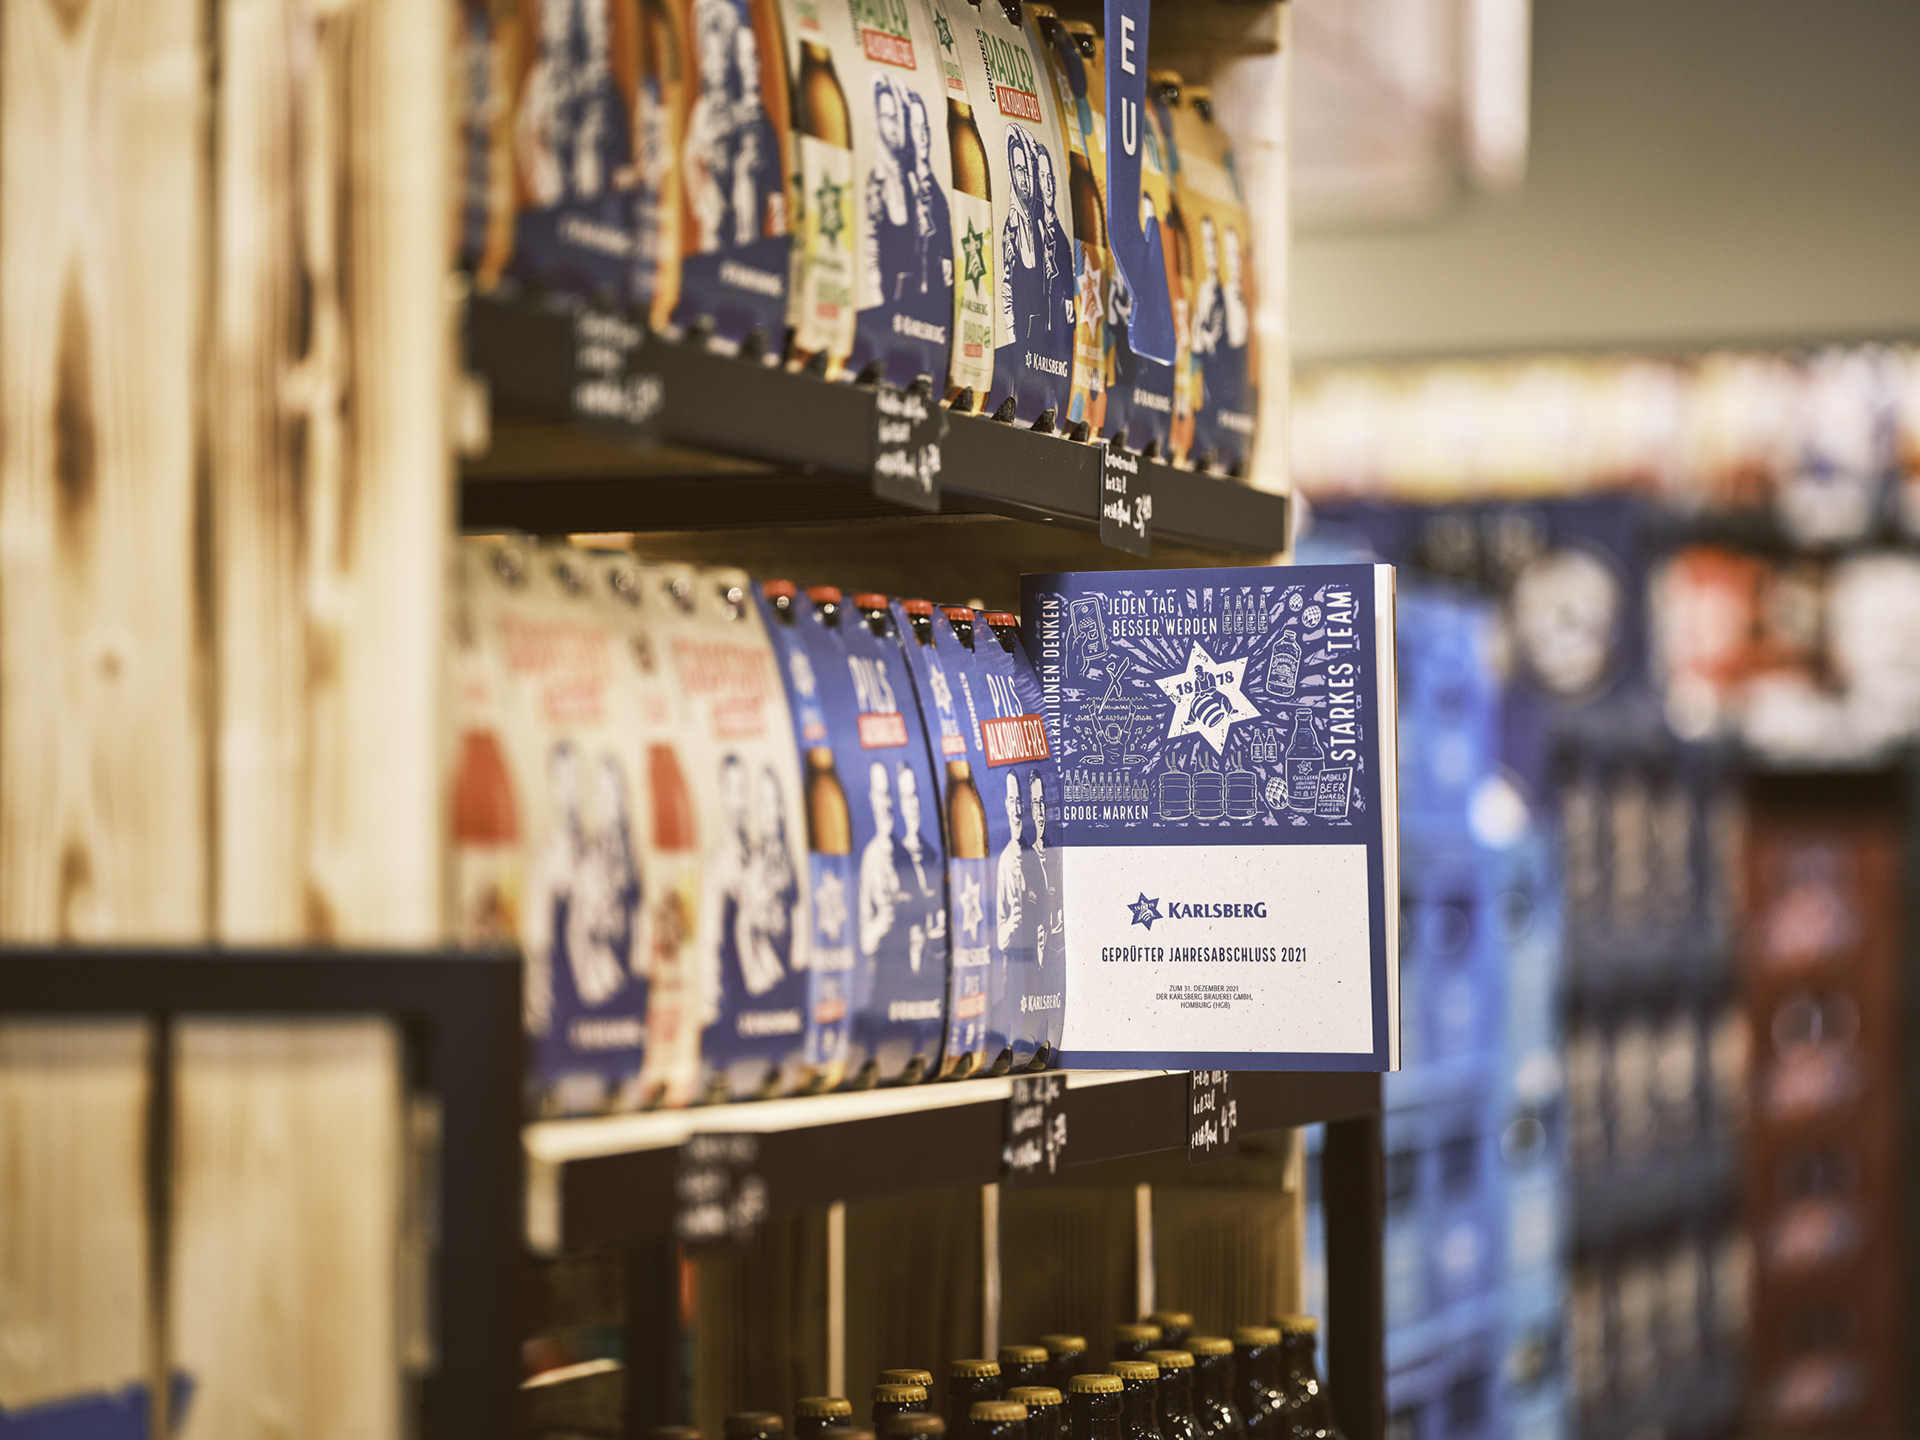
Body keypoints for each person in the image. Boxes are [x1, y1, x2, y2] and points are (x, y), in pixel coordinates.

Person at [860, 761, 908, 955]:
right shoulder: (870, 858)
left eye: (888, 794)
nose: (886, 804)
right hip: (885, 965)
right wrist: (881, 922)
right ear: (872, 798)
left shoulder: (905, 854)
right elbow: (865, 942)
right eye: (880, 795)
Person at [995, 770, 1025, 954]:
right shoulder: (1004, 862)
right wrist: (1010, 925)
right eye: (1013, 802)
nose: (1017, 811)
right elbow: (999, 940)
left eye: (1019, 801)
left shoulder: (1036, 857)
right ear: (1007, 806)